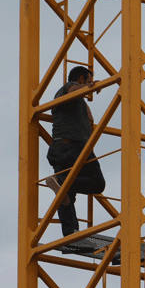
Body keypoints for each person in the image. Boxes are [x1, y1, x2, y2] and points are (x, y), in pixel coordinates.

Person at [46, 66, 106, 237]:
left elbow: (90, 120)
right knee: (97, 183)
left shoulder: (81, 103)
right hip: (70, 147)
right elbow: (72, 89)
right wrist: (90, 86)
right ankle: (60, 181)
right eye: (87, 81)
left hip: (71, 147)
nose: (89, 87)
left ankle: (71, 234)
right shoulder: (67, 89)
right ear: (80, 79)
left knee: (65, 194)